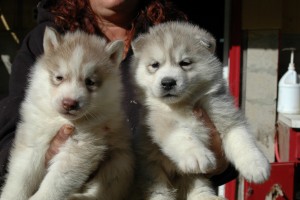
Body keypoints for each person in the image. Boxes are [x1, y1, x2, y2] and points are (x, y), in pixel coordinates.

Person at [0, 0, 238, 189]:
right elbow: (12, 133)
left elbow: (221, 114)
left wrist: (219, 158)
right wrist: (49, 152)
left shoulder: (176, 38)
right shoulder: (47, 41)